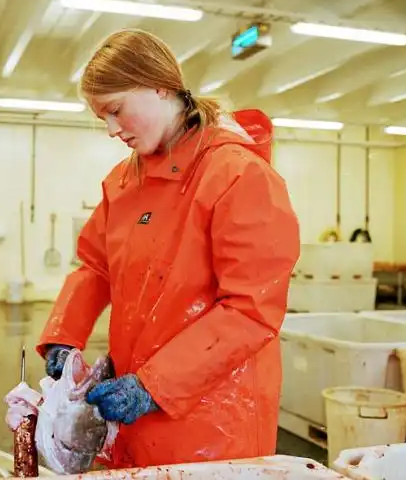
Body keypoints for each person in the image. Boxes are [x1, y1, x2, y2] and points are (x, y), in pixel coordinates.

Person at [36, 29, 301, 469]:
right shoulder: (125, 181)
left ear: (159, 86)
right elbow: (96, 267)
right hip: (134, 409)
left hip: (215, 418)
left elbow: (250, 310)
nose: (111, 130)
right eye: (102, 118)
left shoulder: (239, 176)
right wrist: (63, 336)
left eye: (115, 110)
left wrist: (154, 385)